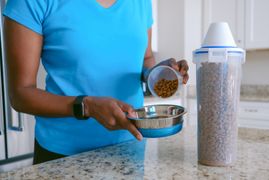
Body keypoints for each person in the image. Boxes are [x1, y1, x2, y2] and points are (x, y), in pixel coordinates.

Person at [3, 0, 189, 164]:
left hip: (130, 149)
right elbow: (20, 94)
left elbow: (145, 58)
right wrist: (88, 106)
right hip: (63, 155)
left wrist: (157, 74)